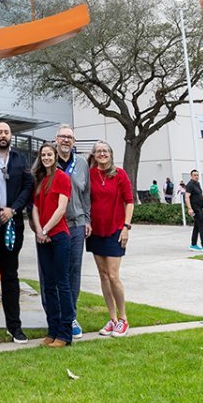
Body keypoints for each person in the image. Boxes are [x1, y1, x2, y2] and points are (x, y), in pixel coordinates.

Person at [0, 119, 33, 346]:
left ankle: (15, 327)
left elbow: (28, 187)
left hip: (12, 226)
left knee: (11, 277)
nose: (3, 135)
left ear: (10, 136)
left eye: (7, 132)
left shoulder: (21, 159)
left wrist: (13, 210)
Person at [85, 141, 134, 337]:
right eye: (98, 151)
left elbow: (129, 202)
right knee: (103, 275)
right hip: (96, 231)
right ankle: (112, 319)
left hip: (115, 230)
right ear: (94, 155)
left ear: (111, 154)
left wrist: (126, 227)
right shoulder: (89, 175)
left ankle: (123, 319)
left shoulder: (120, 174)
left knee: (113, 275)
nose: (102, 154)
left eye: (105, 151)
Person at [30, 143, 72, 348]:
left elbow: (61, 208)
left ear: (55, 156)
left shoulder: (62, 178)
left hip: (59, 237)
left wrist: (46, 230)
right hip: (43, 237)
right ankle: (52, 330)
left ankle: (65, 334)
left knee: (62, 284)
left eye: (49, 154)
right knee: (47, 285)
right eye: (43, 155)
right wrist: (39, 231)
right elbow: (35, 208)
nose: (46, 157)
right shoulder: (39, 180)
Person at [52, 125, 90, 339]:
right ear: (56, 139)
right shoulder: (47, 160)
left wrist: (87, 219)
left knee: (73, 272)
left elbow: (86, 195)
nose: (66, 140)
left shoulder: (82, 163)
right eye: (62, 136)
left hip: (75, 224)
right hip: (54, 226)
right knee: (53, 271)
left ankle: (70, 315)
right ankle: (54, 315)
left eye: (69, 137)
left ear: (73, 142)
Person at [184, 169, 203, 253]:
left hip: (200, 207)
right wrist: (189, 208)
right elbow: (187, 197)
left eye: (197, 175)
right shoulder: (190, 185)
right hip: (195, 209)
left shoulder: (197, 184)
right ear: (191, 176)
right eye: (194, 175)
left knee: (196, 227)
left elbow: (201, 195)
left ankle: (193, 245)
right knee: (201, 226)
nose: (196, 176)